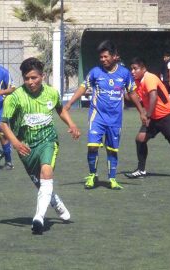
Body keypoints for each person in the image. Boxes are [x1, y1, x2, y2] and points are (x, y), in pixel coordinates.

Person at [0, 57, 81, 235]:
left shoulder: (52, 93)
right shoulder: (14, 98)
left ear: (42, 76)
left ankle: (38, 218)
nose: (30, 82)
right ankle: (57, 203)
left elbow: (60, 109)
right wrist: (15, 142)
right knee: (41, 183)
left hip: (48, 140)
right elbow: (3, 123)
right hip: (25, 146)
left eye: (34, 78)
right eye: (27, 78)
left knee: (46, 172)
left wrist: (72, 124)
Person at [63, 40, 140, 190]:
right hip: (97, 116)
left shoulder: (124, 74)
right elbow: (83, 87)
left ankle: (112, 178)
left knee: (112, 150)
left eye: (106, 56)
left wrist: (142, 111)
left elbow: (132, 93)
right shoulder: (95, 72)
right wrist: (69, 103)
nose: (103, 60)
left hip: (115, 119)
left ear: (114, 56)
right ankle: (92, 175)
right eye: (101, 57)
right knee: (92, 146)